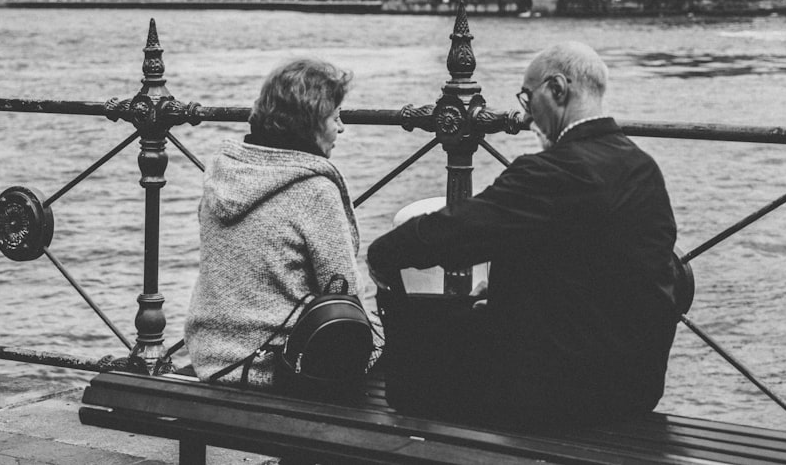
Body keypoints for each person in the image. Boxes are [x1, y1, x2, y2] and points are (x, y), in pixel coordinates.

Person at [368, 41, 682, 426]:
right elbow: (593, 265)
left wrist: (381, 257)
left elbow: (453, 233)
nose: (528, 115)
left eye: (528, 98)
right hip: (637, 385)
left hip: (557, 393)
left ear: (557, 89)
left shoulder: (552, 171)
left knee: (410, 378)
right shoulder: (643, 168)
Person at [185, 57, 371, 389]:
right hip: (280, 366)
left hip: (209, 358)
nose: (341, 128)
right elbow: (344, 293)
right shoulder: (315, 191)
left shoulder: (222, 175)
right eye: (335, 117)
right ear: (310, 122)